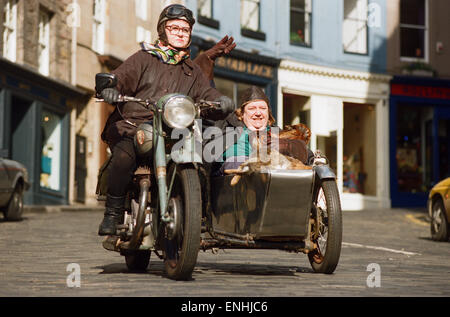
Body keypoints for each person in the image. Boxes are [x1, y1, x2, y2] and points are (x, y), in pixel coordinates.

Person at [96, 4, 235, 236]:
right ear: (163, 30)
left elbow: (206, 94)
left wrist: (221, 102)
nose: (181, 33)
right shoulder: (143, 58)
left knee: (201, 161)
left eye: (185, 30)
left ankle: (195, 215)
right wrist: (110, 87)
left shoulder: (192, 70)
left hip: (175, 131)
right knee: (123, 157)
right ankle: (113, 213)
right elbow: (120, 78)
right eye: (175, 28)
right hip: (135, 126)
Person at [205, 86, 313, 175]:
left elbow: (309, 157)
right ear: (242, 114)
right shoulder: (229, 130)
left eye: (262, 108)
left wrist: (287, 146)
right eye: (252, 109)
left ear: (268, 113)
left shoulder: (278, 132)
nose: (258, 113)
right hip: (236, 178)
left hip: (277, 176)